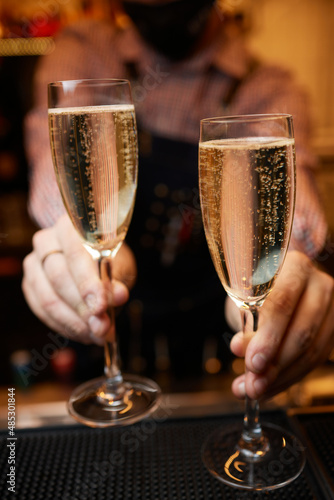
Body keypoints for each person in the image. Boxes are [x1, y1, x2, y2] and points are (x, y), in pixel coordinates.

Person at [22, 0, 333, 399]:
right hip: (105, 351)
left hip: (215, 371)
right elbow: (61, 167)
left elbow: (290, 208)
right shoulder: (85, 50)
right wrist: (76, 246)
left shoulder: (265, 86)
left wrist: (284, 282)